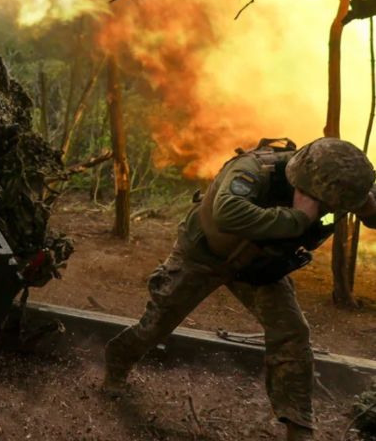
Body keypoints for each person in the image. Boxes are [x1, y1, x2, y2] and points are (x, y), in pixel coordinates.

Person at [104, 137, 376, 441]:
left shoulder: (340, 189)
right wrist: (297, 218)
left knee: (292, 334)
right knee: (156, 326)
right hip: (203, 257)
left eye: (336, 205)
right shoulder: (255, 170)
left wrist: (367, 209)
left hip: (259, 269)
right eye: (326, 203)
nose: (330, 209)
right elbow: (228, 212)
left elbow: (368, 209)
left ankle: (298, 425)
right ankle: (117, 364)